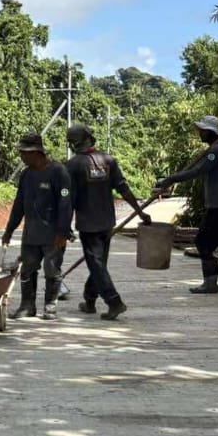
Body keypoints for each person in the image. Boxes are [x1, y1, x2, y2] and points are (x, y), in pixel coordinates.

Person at [65, 124, 149, 320]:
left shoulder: (72, 166)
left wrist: (64, 225)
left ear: (73, 143)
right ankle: (89, 300)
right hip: (107, 223)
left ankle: (114, 301)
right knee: (98, 264)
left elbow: (67, 197)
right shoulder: (108, 161)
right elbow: (123, 188)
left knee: (96, 264)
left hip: (88, 224)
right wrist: (140, 212)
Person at [152, 115, 218, 294]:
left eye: (201, 130)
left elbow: (198, 171)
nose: (199, 133)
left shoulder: (217, 151)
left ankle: (210, 283)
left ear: (209, 132)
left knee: (203, 242)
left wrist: (170, 179)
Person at [1, 131, 73, 319]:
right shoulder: (26, 175)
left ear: (36, 152)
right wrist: (9, 230)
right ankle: (27, 306)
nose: (21, 156)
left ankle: (50, 306)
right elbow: (19, 205)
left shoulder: (59, 172)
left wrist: (63, 232)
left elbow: (66, 204)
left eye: (24, 153)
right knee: (27, 270)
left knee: (52, 270)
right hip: (31, 234)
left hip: (53, 234)